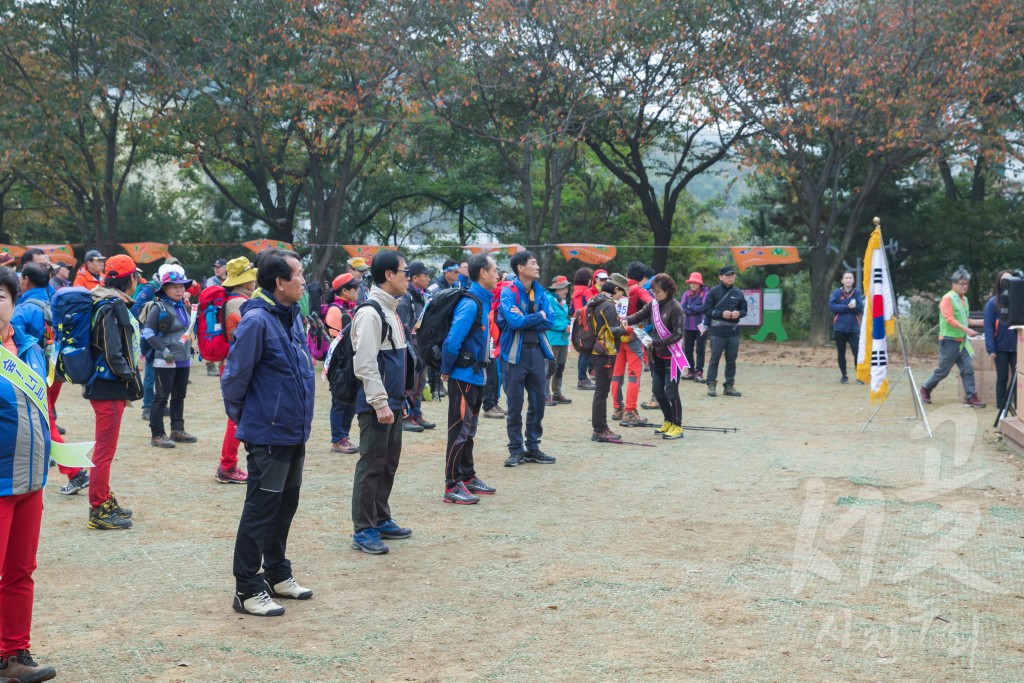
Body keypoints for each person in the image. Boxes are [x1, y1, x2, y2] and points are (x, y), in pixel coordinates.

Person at [222, 250, 315, 617]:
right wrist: (252, 423)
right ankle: (246, 588)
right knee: (261, 509)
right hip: (269, 433)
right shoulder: (257, 322)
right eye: (299, 274)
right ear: (280, 282)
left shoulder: (290, 316)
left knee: (284, 505)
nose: (304, 281)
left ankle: (277, 573)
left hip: (294, 431)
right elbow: (234, 379)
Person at [0, 266, 58, 683]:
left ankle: (12, 654)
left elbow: (40, 410)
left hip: (31, 482)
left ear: (14, 302)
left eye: (0, 296)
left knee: (21, 571)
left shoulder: (30, 348)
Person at [350, 250, 414, 555]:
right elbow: (364, 364)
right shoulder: (371, 312)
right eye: (404, 271)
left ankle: (380, 517)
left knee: (388, 461)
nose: (408, 277)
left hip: (394, 401)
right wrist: (379, 402)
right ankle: (364, 528)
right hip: (378, 403)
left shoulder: (392, 309)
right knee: (372, 462)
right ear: (388, 274)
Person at [84, 254, 144, 529]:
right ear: (130, 279)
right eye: (135, 277)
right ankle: (98, 508)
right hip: (108, 387)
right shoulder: (111, 305)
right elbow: (112, 351)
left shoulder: (105, 301)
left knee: (105, 449)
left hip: (107, 386)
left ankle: (103, 498)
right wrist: (130, 377)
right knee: (104, 452)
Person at [440, 254, 499, 504]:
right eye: (495, 270)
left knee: (469, 429)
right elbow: (452, 341)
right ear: (483, 273)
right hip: (463, 375)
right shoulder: (471, 303)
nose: (498, 275)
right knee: (459, 431)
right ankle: (452, 484)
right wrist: (446, 368)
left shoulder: (482, 300)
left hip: (475, 375)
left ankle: (467, 475)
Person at [499, 251, 557, 467]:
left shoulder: (540, 292)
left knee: (539, 401)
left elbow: (550, 320)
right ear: (520, 268)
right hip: (514, 354)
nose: (538, 266)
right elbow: (514, 322)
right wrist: (537, 316)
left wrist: (530, 319)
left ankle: (532, 447)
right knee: (514, 403)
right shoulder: (508, 292)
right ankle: (515, 449)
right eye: (533, 263)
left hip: (536, 353)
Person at [144, 264, 198, 448]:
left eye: (182, 286)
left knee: (179, 396)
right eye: (175, 286)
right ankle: (157, 435)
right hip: (165, 359)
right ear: (165, 289)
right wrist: (164, 351)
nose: (179, 289)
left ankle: (177, 430)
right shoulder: (158, 307)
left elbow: (184, 330)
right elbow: (148, 333)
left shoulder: (184, 305)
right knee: (161, 397)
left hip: (183, 357)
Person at [627, 274, 686, 439]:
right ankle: (668, 420)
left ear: (667, 290)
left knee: (671, 391)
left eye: (658, 291)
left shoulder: (676, 308)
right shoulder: (653, 304)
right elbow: (638, 316)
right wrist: (624, 320)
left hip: (673, 356)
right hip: (658, 354)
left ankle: (677, 426)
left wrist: (656, 342)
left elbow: (678, 335)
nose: (655, 294)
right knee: (657, 390)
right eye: (653, 291)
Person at [215, 257, 257, 484]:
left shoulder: (235, 300)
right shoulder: (238, 303)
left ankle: (228, 464)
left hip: (232, 365)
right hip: (236, 366)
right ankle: (227, 466)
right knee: (236, 418)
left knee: (237, 416)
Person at [920, 266, 986, 408]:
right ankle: (925, 388)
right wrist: (967, 330)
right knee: (943, 371)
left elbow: (965, 319)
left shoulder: (965, 300)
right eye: (961, 283)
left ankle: (970, 396)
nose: (964, 286)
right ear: (954, 284)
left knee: (968, 368)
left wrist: (983, 322)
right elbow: (950, 319)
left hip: (962, 342)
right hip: (948, 341)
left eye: (966, 283)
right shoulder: (947, 298)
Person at [587, 274, 629, 442]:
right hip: (605, 352)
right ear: (616, 289)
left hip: (596, 349)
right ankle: (600, 429)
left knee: (600, 391)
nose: (622, 296)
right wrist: (627, 328)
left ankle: (600, 428)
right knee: (602, 392)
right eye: (622, 292)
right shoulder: (609, 305)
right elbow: (614, 331)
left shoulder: (596, 300)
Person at [610, 262, 653, 426]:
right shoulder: (639, 290)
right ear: (642, 278)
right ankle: (630, 411)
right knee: (634, 375)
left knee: (617, 374)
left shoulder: (616, 289)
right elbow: (652, 303)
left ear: (626, 274)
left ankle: (617, 408)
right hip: (634, 335)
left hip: (616, 336)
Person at [397, 261, 435, 433]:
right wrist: (408, 346)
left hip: (423, 346)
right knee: (409, 384)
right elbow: (403, 325)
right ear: (413, 277)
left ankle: (416, 413)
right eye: (424, 275)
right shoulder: (406, 298)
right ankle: (405, 417)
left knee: (421, 382)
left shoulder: (424, 296)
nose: (428, 278)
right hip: (411, 347)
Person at [325, 273, 361, 454]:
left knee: (350, 400)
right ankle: (337, 439)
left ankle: (344, 436)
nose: (358, 290)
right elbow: (335, 342)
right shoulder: (335, 310)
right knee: (340, 400)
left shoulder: (350, 308)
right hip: (340, 365)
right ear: (344, 291)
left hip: (350, 362)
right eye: (354, 288)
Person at [703, 265, 747, 398]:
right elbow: (707, 310)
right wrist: (721, 314)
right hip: (717, 332)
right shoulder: (714, 292)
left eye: (732, 275)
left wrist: (738, 313)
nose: (730, 277)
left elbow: (744, 310)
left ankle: (729, 386)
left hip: (733, 332)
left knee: (731, 360)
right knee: (714, 359)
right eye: (727, 275)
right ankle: (711, 385)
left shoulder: (738, 292)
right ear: (721, 277)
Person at [985, 270, 1018, 412]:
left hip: (1017, 347)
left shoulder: (1018, 301)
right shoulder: (993, 303)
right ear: (999, 283)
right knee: (1002, 378)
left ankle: (1019, 406)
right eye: (1004, 280)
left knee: (1019, 378)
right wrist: (991, 349)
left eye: (1009, 280)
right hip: (1000, 347)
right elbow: (988, 327)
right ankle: (1001, 406)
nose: (1006, 283)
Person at [829, 270, 865, 384]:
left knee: (857, 352)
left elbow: (861, 308)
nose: (848, 280)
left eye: (850, 278)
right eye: (846, 278)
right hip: (839, 328)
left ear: (853, 280)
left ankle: (859, 376)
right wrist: (847, 307)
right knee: (841, 352)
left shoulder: (857, 293)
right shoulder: (836, 293)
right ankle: (844, 376)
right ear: (842, 280)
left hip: (854, 329)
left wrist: (854, 307)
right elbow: (832, 306)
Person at [544, 275, 573, 405]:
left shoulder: (563, 301)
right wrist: (564, 326)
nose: (566, 291)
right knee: (549, 368)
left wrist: (568, 322)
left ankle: (557, 393)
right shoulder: (548, 300)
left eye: (566, 288)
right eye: (563, 288)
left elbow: (564, 317)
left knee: (560, 368)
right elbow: (548, 320)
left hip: (563, 339)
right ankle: (544, 395)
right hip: (552, 339)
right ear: (556, 289)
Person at [680, 271, 709, 383]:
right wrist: (694, 308)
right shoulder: (686, 294)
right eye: (691, 282)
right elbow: (682, 306)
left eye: (695, 282)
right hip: (688, 325)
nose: (693, 284)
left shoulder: (705, 293)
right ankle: (690, 370)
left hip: (702, 325)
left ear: (700, 283)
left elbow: (704, 306)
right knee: (687, 349)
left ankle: (699, 372)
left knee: (700, 349)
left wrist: (690, 308)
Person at [572, 267, 595, 390]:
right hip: (587, 324)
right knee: (586, 352)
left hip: (577, 324)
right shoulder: (587, 291)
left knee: (582, 352)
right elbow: (592, 306)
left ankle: (582, 378)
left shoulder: (575, 292)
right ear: (587, 280)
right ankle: (582, 379)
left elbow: (571, 309)